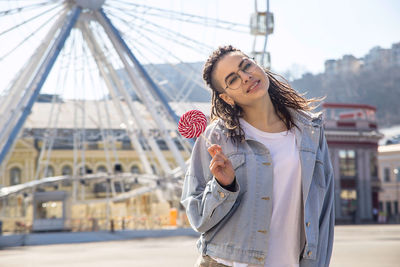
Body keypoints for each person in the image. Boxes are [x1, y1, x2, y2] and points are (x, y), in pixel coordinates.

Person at [181, 45, 335, 267]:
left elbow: (324, 210)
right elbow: (197, 218)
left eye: (246, 65)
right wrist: (223, 187)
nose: (245, 77)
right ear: (227, 98)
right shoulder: (216, 137)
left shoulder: (310, 130)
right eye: (233, 79)